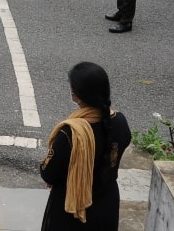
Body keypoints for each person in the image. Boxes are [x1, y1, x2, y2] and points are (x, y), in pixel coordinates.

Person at [40, 62, 131, 230]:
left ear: (77, 97)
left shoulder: (71, 133)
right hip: (107, 205)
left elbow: (48, 173)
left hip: (72, 211)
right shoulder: (119, 121)